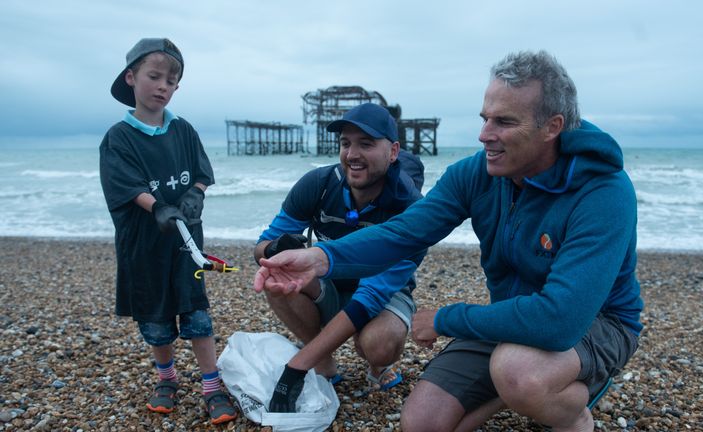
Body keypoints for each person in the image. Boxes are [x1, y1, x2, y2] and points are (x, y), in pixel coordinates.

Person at [254, 50, 644, 431]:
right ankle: (514, 389)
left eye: (504, 122)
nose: (484, 135)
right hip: (512, 317)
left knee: (518, 371)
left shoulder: (603, 192)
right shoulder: (478, 173)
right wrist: (321, 257)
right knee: (421, 422)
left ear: (552, 127)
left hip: (596, 323)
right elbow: (403, 233)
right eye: (485, 118)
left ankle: (575, 412)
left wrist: (446, 319)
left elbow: (558, 321)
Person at [252, 102, 426, 413]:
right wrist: (278, 250)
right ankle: (325, 364)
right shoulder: (317, 185)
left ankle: (377, 368)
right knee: (277, 278)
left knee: (378, 343)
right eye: (346, 143)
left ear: (394, 151)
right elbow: (261, 246)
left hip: (383, 293)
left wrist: (296, 367)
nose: (352, 154)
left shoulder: (412, 208)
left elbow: (371, 297)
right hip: (329, 283)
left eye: (366, 144)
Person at [99, 38, 237, 425]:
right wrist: (158, 206)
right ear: (131, 78)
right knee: (156, 319)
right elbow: (125, 185)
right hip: (142, 245)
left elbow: (202, 173)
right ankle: (167, 377)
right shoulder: (118, 138)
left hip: (186, 245)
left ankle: (212, 385)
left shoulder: (184, 130)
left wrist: (195, 195)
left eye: (171, 80)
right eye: (154, 76)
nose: (163, 86)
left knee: (196, 313)